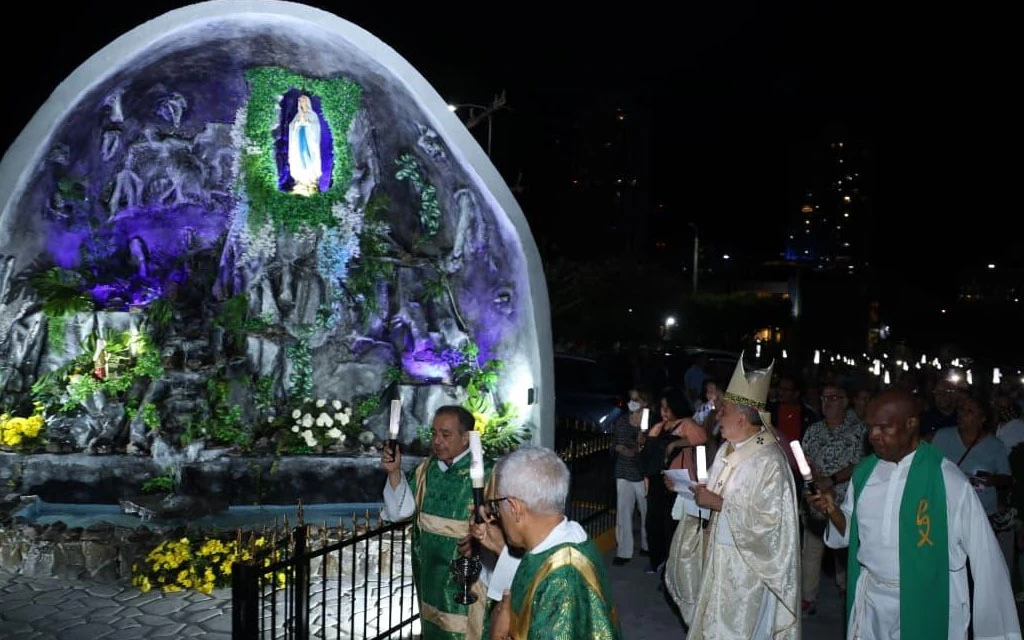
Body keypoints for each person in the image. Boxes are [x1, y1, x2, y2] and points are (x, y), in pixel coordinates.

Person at [808, 390, 1021, 640]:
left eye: (883, 428)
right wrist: (833, 512)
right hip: (871, 604)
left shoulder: (947, 480)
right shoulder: (865, 472)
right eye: (870, 428)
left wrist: (995, 632)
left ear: (911, 424)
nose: (873, 436)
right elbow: (851, 534)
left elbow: (986, 559)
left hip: (925, 602)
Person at [665, 355, 800, 639]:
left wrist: (720, 505)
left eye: (722, 410)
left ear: (741, 416)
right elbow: (710, 500)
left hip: (748, 574)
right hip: (718, 561)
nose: (716, 416)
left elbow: (773, 529)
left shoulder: (770, 461)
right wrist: (685, 490)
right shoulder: (729, 450)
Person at [477, 446, 620, 640]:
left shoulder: (563, 577)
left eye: (497, 507)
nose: (497, 516)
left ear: (515, 508)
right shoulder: (555, 541)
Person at [382, 405, 497, 640]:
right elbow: (400, 512)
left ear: (466, 438)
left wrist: (481, 539)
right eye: (434, 434)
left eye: (445, 435)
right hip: (429, 571)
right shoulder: (427, 469)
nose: (437, 441)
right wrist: (394, 473)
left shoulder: (490, 474)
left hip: (468, 574)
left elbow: (505, 526)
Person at [611, 388, 651, 565]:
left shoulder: (648, 421)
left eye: (637, 399)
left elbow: (648, 448)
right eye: (631, 399)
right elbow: (617, 444)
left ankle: (647, 545)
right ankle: (624, 551)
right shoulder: (622, 421)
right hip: (623, 471)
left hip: (642, 474)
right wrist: (626, 449)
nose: (633, 402)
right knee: (624, 512)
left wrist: (640, 443)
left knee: (646, 511)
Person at [288, 94, 322, 196]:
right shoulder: (297, 115)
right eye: (300, 101)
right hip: (298, 141)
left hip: (309, 142)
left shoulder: (313, 115)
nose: (302, 103)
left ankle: (310, 181)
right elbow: (292, 127)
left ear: (307, 102)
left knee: (308, 158)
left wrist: (307, 124)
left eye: (303, 101)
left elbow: (316, 129)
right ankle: (301, 182)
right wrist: (298, 124)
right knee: (298, 158)